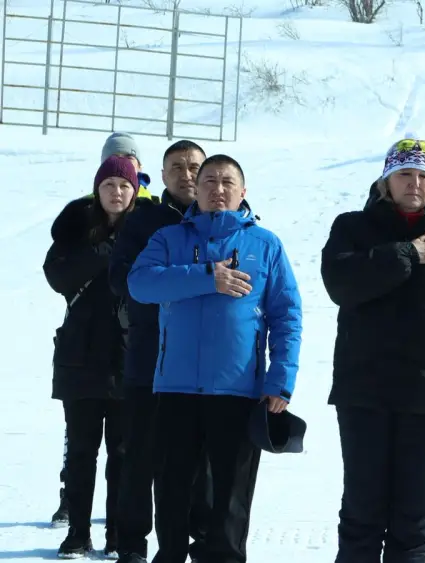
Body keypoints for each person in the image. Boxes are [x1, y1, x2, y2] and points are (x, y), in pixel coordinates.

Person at [127, 154, 303, 563]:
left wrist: (280, 380)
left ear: (243, 192)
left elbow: (287, 316)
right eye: (209, 181)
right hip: (176, 388)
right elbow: (140, 283)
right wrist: (208, 277)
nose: (217, 189)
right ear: (196, 189)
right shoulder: (169, 238)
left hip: (238, 391)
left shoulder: (265, 244)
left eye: (227, 182)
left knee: (231, 498)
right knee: (171, 491)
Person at [320, 136, 425, 563]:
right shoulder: (352, 228)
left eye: (423, 175)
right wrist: (408, 253)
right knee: (362, 513)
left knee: (415, 519)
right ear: (386, 180)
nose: (414, 183)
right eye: (405, 173)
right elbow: (341, 285)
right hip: (364, 390)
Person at [108, 140, 213, 563]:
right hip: (150, 358)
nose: (187, 175)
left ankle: (200, 539)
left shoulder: (222, 219)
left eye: (194, 167)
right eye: (177, 167)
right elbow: (122, 279)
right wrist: (188, 280)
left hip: (205, 364)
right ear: (162, 175)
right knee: (140, 456)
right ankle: (132, 544)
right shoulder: (143, 221)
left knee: (200, 461)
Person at [44, 155, 153, 558]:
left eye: (125, 186)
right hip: (80, 357)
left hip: (129, 357)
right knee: (81, 453)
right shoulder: (76, 229)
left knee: (123, 454)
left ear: (135, 191)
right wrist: (104, 254)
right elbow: (56, 275)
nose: (117, 192)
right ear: (97, 190)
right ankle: (77, 532)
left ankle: (117, 535)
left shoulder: (145, 232)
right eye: (109, 185)